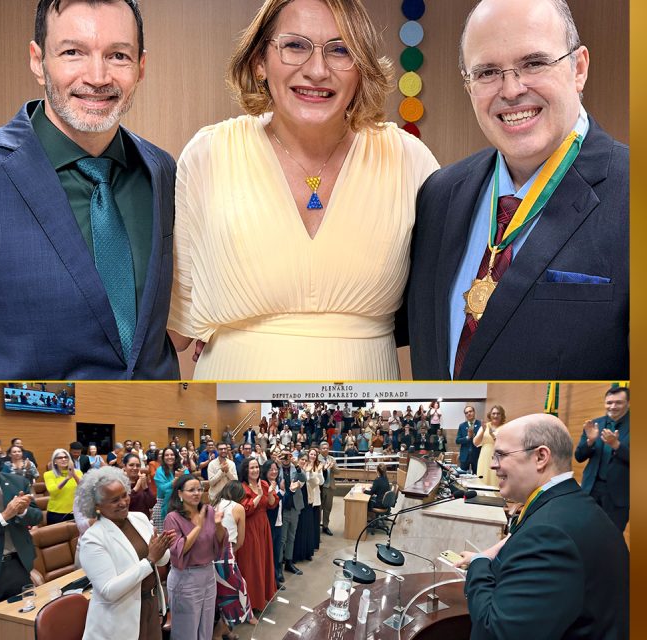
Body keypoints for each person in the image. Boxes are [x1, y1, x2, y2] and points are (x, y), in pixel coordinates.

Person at [169, 0, 438, 379]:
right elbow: (175, 329)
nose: (316, 70)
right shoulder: (207, 155)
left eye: (340, 50)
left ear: (362, 68)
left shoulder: (410, 162)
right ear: (260, 61)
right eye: (295, 46)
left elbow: (444, 316)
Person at [408, 0, 627, 379]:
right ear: (468, 84)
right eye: (488, 71)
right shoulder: (438, 196)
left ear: (579, 68)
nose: (511, 90)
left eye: (534, 63)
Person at [0, 0, 180, 380]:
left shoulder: (162, 170)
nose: (98, 76)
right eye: (73, 52)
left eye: (118, 55)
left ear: (141, 67)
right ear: (38, 61)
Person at [455, 414, 628, 638]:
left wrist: (479, 564)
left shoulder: (549, 534)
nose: (491, 464)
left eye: (501, 455)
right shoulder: (568, 503)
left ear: (540, 457)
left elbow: (496, 632)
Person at [74, 467, 175, 640]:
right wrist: (149, 559)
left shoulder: (139, 518)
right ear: (96, 505)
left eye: (124, 495)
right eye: (114, 500)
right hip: (120, 617)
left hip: (150, 605)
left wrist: (162, 548)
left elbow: (160, 560)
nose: (123, 502)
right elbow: (108, 591)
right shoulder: (92, 539)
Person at [0, 435, 42, 640]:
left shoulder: (17, 482)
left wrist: (22, 512)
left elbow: (37, 515)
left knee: (19, 624)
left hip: (18, 565)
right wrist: (4, 516)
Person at [162, 476, 225, 640]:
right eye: (191, 490)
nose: (197, 493)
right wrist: (198, 526)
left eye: (199, 489)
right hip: (186, 577)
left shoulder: (208, 511)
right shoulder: (172, 518)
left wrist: (218, 524)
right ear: (180, 494)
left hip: (208, 574)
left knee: (206, 624)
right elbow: (178, 549)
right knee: (186, 629)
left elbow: (219, 542)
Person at [575, 386, 630, 532]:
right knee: (585, 531)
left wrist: (616, 445)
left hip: (618, 495)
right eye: (609, 402)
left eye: (618, 402)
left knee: (611, 537)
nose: (613, 406)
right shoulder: (594, 424)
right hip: (591, 489)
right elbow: (579, 457)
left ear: (628, 403)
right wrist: (590, 442)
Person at [235, 458, 277, 616]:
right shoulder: (242, 487)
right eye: (251, 467)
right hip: (249, 528)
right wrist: (258, 496)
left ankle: (261, 597)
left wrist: (270, 491)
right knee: (251, 564)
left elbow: (272, 505)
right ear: (246, 470)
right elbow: (244, 510)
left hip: (263, 526)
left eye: (257, 467)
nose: (255, 470)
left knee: (263, 560)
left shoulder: (265, 484)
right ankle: (249, 603)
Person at [212, 481, 252, 637]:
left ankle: (226, 631)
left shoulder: (214, 504)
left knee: (219, 596)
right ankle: (217, 633)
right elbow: (240, 540)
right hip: (226, 556)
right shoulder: (238, 508)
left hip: (210, 556)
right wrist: (231, 553)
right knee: (237, 594)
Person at [292, 449, 322, 562]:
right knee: (298, 529)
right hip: (297, 503)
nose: (304, 462)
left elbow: (316, 483)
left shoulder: (310, 471)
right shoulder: (295, 470)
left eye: (305, 460)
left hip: (307, 502)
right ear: (298, 460)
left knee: (307, 528)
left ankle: (306, 553)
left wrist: (309, 472)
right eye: (302, 460)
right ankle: (296, 555)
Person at [262, 461, 286, 586]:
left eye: (276, 469)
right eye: (271, 469)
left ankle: (277, 575)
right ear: (265, 471)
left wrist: (285, 492)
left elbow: (282, 503)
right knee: (270, 553)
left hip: (279, 522)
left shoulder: (277, 483)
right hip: (269, 523)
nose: (274, 472)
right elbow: (271, 504)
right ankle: (273, 580)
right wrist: (281, 493)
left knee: (277, 551)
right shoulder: (263, 484)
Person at [43, 448, 83, 525]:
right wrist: (67, 478)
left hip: (76, 512)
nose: (64, 459)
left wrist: (73, 475)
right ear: (54, 461)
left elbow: (84, 488)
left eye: (66, 457)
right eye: (60, 458)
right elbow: (53, 491)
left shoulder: (78, 473)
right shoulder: (49, 474)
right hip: (56, 513)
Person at [152, 447, 186, 530]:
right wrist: (177, 480)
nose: (169, 457)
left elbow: (188, 484)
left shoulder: (182, 469)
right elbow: (162, 488)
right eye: (166, 455)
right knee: (164, 534)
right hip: (163, 503)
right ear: (163, 458)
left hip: (181, 502)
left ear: (176, 456)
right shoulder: (160, 471)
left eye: (172, 455)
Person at [476, 405, 506, 486]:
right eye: (493, 413)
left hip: (498, 457)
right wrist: (483, 430)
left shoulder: (505, 427)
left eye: (498, 413)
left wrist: (492, 435)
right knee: (483, 477)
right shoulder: (485, 426)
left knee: (495, 479)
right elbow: (475, 442)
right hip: (484, 456)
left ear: (502, 415)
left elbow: (505, 444)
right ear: (490, 415)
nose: (495, 416)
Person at [123, 453, 155, 520]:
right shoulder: (120, 483)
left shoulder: (142, 480)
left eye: (138, 465)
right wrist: (135, 489)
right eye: (131, 465)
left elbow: (151, 504)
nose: (135, 468)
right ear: (124, 466)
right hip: (127, 522)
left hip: (143, 521)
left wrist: (145, 488)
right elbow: (124, 505)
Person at [317, 441, 336, 535]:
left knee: (328, 508)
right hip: (320, 488)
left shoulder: (332, 459)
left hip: (330, 487)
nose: (325, 450)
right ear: (320, 449)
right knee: (319, 508)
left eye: (327, 448)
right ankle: (316, 526)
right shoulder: (317, 459)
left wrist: (332, 467)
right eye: (323, 448)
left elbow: (338, 472)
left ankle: (325, 526)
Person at [458, 406, 483, 474]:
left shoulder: (481, 424)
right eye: (466, 413)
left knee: (478, 475)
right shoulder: (462, 425)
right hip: (464, 456)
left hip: (477, 455)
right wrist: (467, 437)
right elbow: (457, 440)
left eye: (470, 411)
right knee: (462, 477)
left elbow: (483, 439)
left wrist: (474, 436)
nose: (469, 413)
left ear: (474, 412)